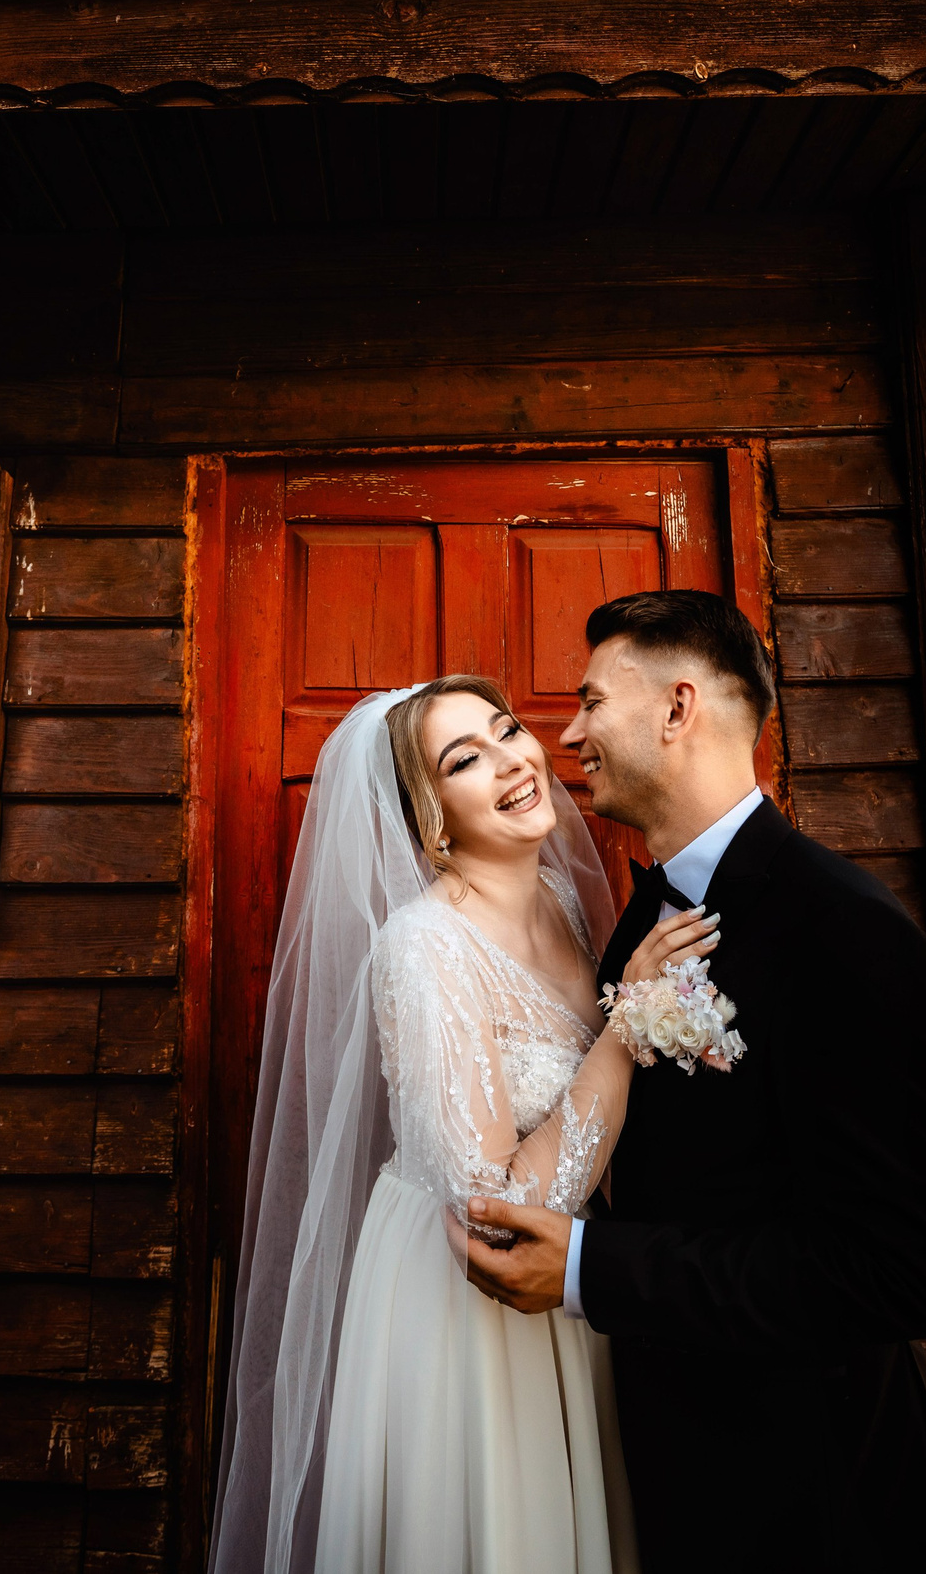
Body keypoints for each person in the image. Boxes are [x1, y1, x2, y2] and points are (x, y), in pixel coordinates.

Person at [461, 589, 926, 1571]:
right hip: (671, 1469)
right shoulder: (640, 924)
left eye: (589, 703)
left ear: (676, 708)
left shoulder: (849, 935)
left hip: (809, 1497)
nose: (566, 734)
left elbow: (896, 1274)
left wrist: (586, 1269)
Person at [210, 673, 718, 1574]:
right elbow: (496, 1209)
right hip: (467, 1304)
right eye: (464, 759)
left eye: (506, 729)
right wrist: (629, 1026)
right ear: (432, 817)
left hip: (578, 1281)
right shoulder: (422, 946)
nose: (512, 760)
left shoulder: (567, 905)